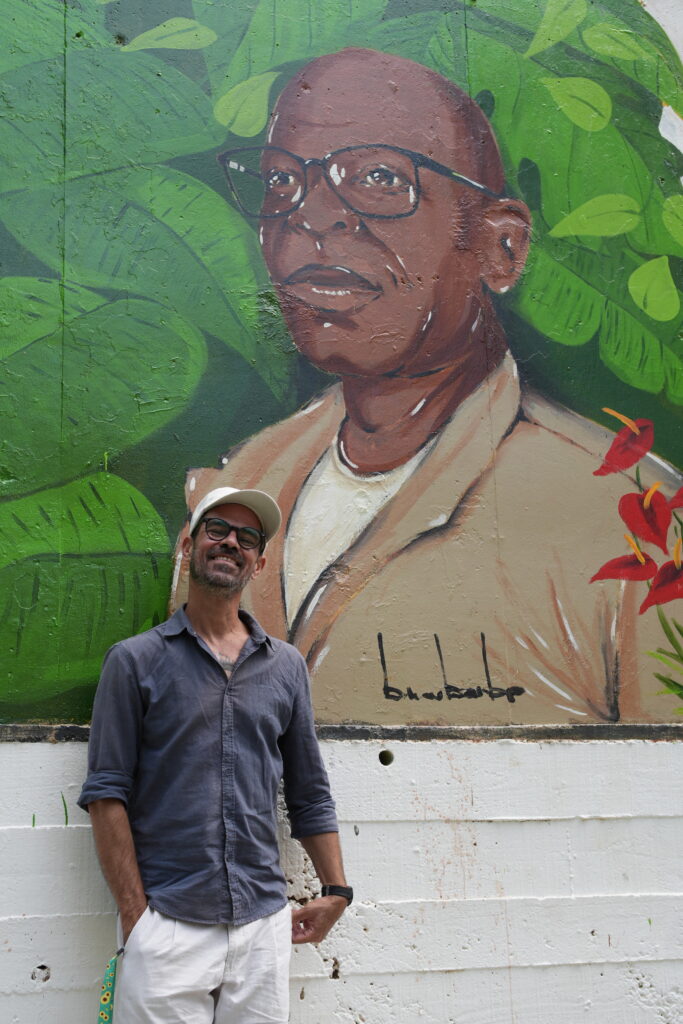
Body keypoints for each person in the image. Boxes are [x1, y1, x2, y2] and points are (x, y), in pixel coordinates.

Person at [174, 48, 681, 727]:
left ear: (501, 247)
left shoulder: (635, 522)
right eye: (280, 181)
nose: (311, 215)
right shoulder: (243, 484)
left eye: (380, 178)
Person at [80, 485, 351, 1023]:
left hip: (263, 926)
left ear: (259, 561)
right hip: (168, 924)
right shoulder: (134, 662)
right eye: (217, 529)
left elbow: (309, 791)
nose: (231, 542)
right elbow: (106, 793)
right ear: (189, 542)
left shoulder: (286, 667)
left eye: (247, 537)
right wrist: (137, 918)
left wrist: (337, 889)